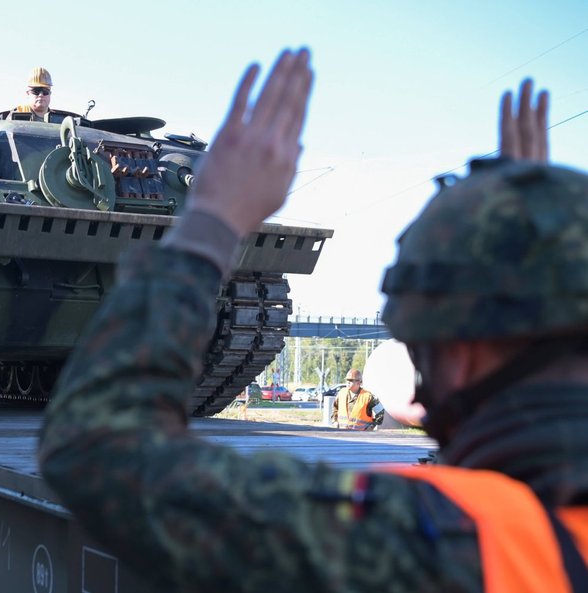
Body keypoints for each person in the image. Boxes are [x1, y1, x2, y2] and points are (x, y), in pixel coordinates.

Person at [38, 46, 588, 592]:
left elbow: (99, 453)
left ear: (463, 353)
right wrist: (547, 246)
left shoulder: (430, 540)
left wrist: (210, 221)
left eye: (423, 348)